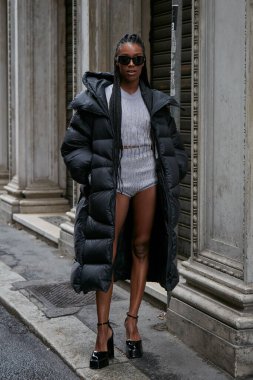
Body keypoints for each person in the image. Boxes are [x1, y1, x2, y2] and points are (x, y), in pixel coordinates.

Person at [61, 33, 188, 370]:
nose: (131, 65)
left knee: (142, 246)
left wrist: (173, 170)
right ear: (115, 63)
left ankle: (132, 321)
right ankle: (103, 332)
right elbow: (74, 145)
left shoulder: (154, 101)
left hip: (147, 176)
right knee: (108, 250)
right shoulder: (99, 98)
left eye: (137, 59)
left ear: (144, 64)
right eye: (125, 59)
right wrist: (92, 173)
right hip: (114, 180)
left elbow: (172, 144)